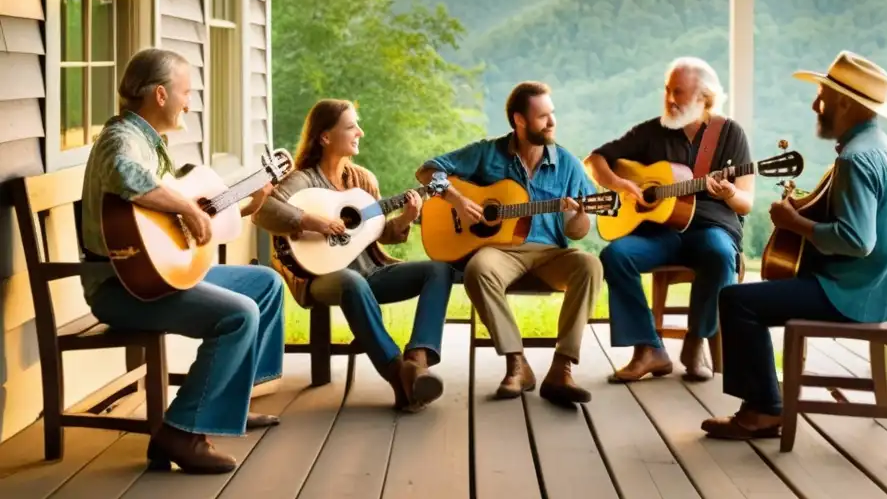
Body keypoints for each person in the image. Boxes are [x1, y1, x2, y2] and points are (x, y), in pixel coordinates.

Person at [80, 47, 284, 475]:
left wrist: (244, 205)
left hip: (150, 275)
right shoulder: (122, 138)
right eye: (185, 92)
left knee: (265, 284)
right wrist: (189, 210)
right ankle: (181, 432)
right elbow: (124, 173)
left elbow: (173, 225)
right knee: (239, 315)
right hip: (122, 287)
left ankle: (225, 400)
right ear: (159, 94)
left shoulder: (151, 144)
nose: (189, 102)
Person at [701, 51, 887, 440]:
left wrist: (794, 223)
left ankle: (765, 410)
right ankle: (762, 403)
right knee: (747, 297)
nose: (815, 104)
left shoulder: (857, 158)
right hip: (876, 293)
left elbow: (857, 241)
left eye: (822, 95)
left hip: (850, 296)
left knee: (736, 300)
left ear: (846, 103)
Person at [253, 99, 455, 413]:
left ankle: (417, 361)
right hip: (322, 279)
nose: (360, 132)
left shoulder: (363, 180)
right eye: (351, 127)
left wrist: (404, 218)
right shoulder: (303, 180)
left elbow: (376, 232)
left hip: (372, 272)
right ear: (325, 137)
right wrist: (314, 221)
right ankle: (398, 372)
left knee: (440, 270)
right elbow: (262, 211)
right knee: (351, 281)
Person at [415, 81, 602, 406]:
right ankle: (517, 364)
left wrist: (579, 215)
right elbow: (427, 170)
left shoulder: (568, 164)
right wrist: (457, 199)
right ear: (519, 120)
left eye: (552, 114)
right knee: (478, 269)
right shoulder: (488, 153)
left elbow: (578, 232)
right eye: (543, 116)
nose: (552, 122)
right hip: (499, 253)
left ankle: (562, 368)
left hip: (549, 254)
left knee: (590, 265)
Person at [585, 57, 754, 382]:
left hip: (711, 229)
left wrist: (728, 194)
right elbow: (596, 160)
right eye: (667, 91)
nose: (671, 100)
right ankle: (649, 348)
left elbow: (745, 203)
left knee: (719, 253)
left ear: (704, 98)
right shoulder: (652, 132)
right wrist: (620, 184)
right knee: (615, 255)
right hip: (659, 234)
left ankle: (696, 338)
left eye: (679, 92)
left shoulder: (730, 134)